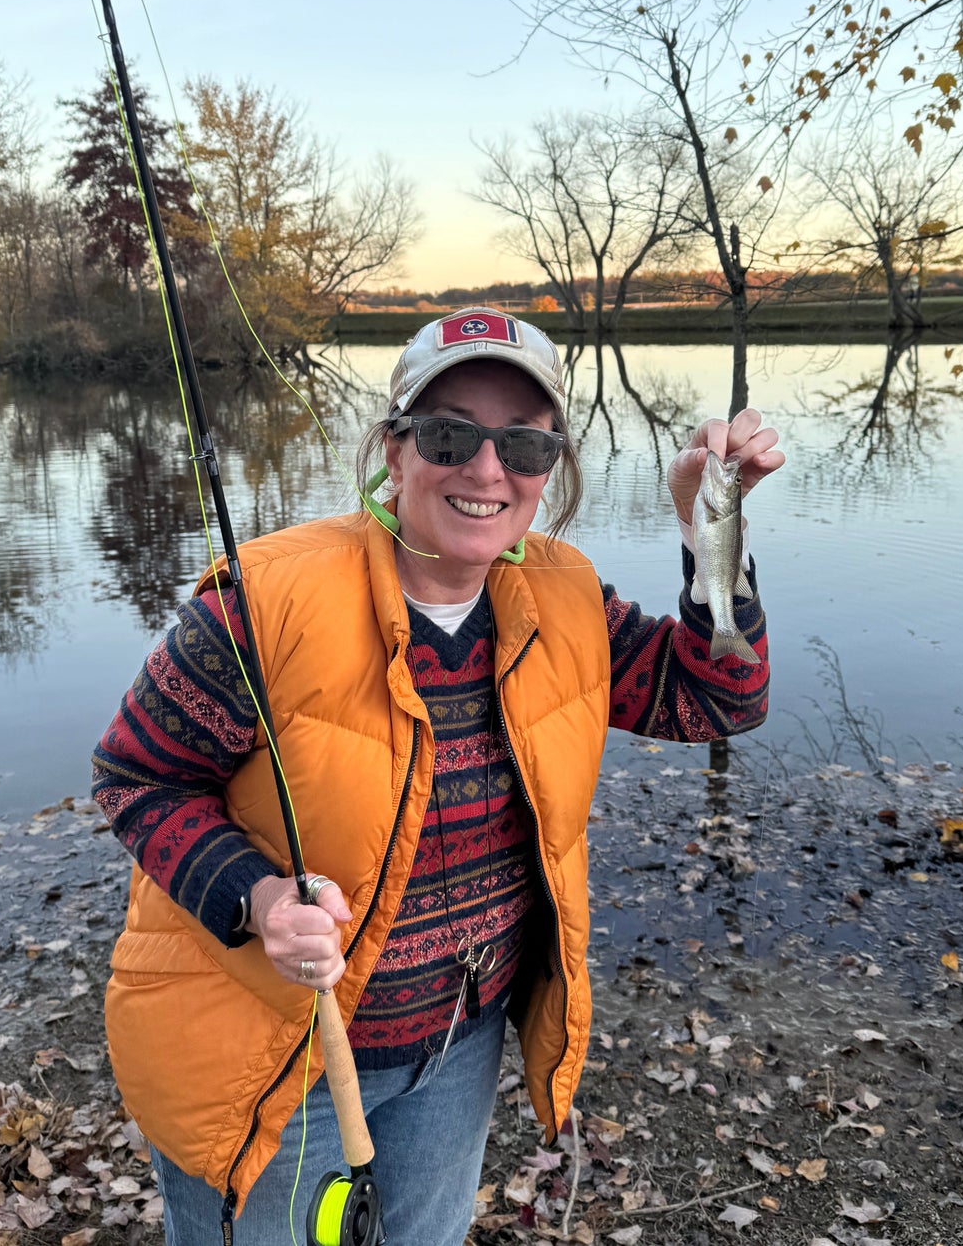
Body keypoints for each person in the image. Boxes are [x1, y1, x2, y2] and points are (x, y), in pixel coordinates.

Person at [91, 307, 784, 1245]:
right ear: (397, 447)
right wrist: (253, 897)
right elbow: (137, 777)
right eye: (451, 432)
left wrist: (710, 529)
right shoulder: (268, 601)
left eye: (524, 444)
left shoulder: (563, 592)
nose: (487, 469)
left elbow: (717, 699)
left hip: (459, 1046)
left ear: (551, 465)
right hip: (269, 1045)